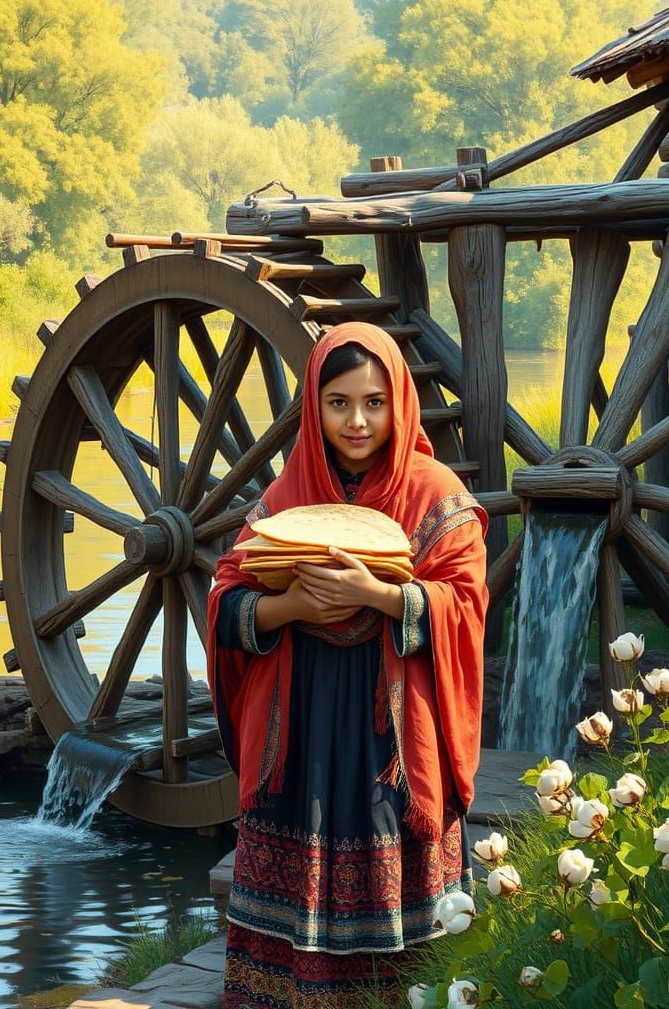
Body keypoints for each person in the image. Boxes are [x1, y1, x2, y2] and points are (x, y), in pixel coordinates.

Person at [207, 321, 489, 1008]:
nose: (357, 421)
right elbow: (226, 596)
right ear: (314, 405)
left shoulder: (435, 493)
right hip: (300, 721)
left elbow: (466, 602)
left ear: (398, 402)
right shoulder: (288, 492)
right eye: (338, 403)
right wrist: (289, 607)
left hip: (392, 734)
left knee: (393, 858)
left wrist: (379, 595)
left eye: (373, 401)